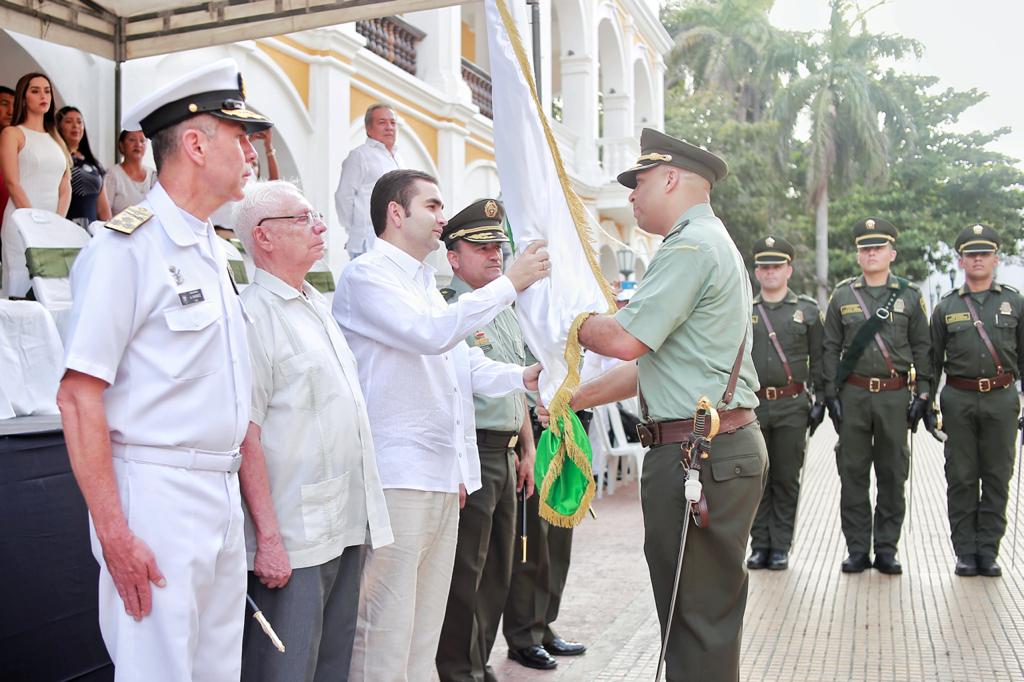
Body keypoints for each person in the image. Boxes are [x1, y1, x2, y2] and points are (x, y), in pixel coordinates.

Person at [55, 58, 272, 681]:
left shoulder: (213, 249)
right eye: (240, 137)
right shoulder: (126, 249)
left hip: (218, 493)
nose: (252, 150)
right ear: (197, 145)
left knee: (215, 671)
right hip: (156, 493)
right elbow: (78, 397)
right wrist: (114, 532)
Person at [332, 169, 550, 681]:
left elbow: (462, 367)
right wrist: (508, 283)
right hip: (397, 475)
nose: (443, 218)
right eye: (432, 206)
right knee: (384, 628)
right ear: (395, 213)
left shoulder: (424, 284)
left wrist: (525, 376)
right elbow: (430, 335)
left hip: (440, 476)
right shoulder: (368, 276)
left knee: (423, 632)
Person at [570, 128, 768, 682]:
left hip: (698, 454)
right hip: (708, 446)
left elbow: (623, 340)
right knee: (695, 618)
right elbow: (649, 365)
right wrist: (576, 397)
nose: (632, 194)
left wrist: (569, 318)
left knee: (696, 622)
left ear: (671, 178)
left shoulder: (689, 245)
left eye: (639, 182)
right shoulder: (703, 241)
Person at [232, 180, 392, 680]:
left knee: (331, 664)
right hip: (295, 537)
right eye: (302, 219)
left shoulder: (316, 306)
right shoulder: (252, 316)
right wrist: (269, 540)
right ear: (264, 237)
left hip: (344, 523)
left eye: (316, 215)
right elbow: (246, 434)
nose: (320, 226)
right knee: (287, 666)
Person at [434, 199, 537, 682]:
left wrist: (529, 447)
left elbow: (513, 381)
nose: (495, 254)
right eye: (481, 247)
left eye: (498, 245)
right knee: (464, 573)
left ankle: (477, 661)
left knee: (498, 569)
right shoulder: (453, 311)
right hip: (471, 449)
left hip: (506, 450)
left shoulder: (504, 310)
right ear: (453, 258)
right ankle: (457, 669)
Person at [821, 218, 933, 576]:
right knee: (852, 473)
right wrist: (829, 393)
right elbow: (829, 347)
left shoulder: (910, 296)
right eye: (865, 248)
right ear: (858, 256)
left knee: (892, 473)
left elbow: (922, 346)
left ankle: (886, 549)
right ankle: (857, 549)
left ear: (891, 253)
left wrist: (925, 393)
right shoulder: (842, 295)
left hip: (894, 395)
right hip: (853, 394)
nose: (871, 253)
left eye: (878, 247)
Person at [931, 224, 1023, 578]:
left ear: (996, 259)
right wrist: (927, 401)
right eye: (971, 254)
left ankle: (989, 551)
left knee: (998, 476)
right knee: (962, 477)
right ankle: (966, 552)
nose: (978, 259)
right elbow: (932, 360)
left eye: (984, 254)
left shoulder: (1014, 302)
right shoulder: (946, 307)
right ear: (961, 261)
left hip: (1001, 398)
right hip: (959, 398)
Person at [746, 236, 825, 571]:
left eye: (777, 266)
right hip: (752, 405)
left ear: (788, 269)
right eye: (764, 266)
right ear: (756, 271)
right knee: (755, 478)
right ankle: (759, 543)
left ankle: (780, 545)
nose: (770, 272)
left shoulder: (805, 310)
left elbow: (821, 358)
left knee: (786, 477)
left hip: (792, 404)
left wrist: (822, 398)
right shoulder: (744, 310)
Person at [502, 374, 588, 672]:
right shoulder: (530, 326)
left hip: (569, 431)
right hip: (537, 435)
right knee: (532, 546)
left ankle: (543, 624)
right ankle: (524, 634)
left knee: (558, 545)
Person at [0, 72, 71, 297]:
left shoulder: (56, 138)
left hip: (51, 229)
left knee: (50, 294)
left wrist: (57, 223)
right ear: (23, 98)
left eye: (47, 90)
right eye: (35, 90)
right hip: (21, 226)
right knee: (20, 292)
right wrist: (33, 223)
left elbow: (65, 184)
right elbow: (12, 182)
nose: (43, 95)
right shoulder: (13, 134)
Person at [334, 104, 403, 259]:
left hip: (394, 243)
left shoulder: (398, 158)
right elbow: (343, 197)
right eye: (382, 122)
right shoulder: (359, 155)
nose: (389, 127)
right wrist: (354, 230)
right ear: (368, 128)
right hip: (367, 243)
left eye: (392, 123)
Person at [56, 106, 111, 226]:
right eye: (69, 121)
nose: (75, 126)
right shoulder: (56, 158)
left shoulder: (93, 163)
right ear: (59, 127)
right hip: (66, 229)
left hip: (92, 232)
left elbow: (103, 209)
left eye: (79, 122)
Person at [104, 129, 157, 215]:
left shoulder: (153, 175)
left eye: (142, 140)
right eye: (132, 140)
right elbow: (104, 212)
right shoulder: (112, 175)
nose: (138, 144)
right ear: (121, 145)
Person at [0, 85, 14, 230]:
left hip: (11, 226)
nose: (11, 111)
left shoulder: (22, 146)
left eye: (14, 106)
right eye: (4, 104)